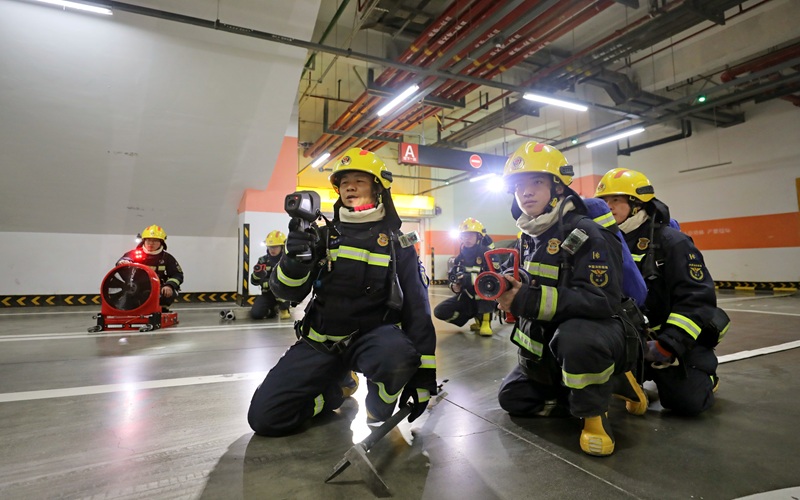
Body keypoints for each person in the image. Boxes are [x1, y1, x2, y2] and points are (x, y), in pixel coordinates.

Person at [247, 147, 437, 436]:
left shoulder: (400, 244)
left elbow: (418, 309)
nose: (349, 186)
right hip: (320, 341)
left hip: (374, 342)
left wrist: (424, 377)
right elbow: (286, 291)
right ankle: (336, 391)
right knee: (265, 418)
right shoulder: (321, 236)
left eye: (359, 180)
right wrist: (294, 260)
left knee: (397, 356)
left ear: (378, 188)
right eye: (344, 181)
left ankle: (379, 406)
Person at [495, 141, 642, 457]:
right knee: (513, 400)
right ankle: (592, 389)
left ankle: (594, 416)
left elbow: (600, 300)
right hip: (546, 350)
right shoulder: (529, 235)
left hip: (588, 334)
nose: (526, 192)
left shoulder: (584, 232)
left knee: (577, 339)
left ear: (558, 188)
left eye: (536, 182)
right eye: (519, 185)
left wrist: (525, 300)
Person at [595, 168, 729, 415]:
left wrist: (669, 344)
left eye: (616, 199)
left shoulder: (673, 242)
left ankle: (706, 379)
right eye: (603, 201)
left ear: (637, 203)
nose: (608, 206)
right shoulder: (604, 242)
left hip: (669, 341)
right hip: (631, 339)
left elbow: (697, 299)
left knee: (687, 403)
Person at [433, 218, 497, 336]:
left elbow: (493, 278)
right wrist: (454, 286)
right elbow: (452, 276)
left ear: (479, 237)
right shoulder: (460, 256)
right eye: (464, 236)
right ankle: (472, 317)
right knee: (439, 311)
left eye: (470, 236)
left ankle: (485, 322)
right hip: (467, 295)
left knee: (483, 295)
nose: (467, 239)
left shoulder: (487, 254)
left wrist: (467, 279)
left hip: (484, 295)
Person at [117, 224, 183, 312]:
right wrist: (123, 263)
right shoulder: (134, 254)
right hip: (135, 288)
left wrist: (169, 285)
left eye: (155, 241)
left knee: (167, 293)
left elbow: (177, 274)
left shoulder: (167, 258)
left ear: (161, 242)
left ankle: (161, 308)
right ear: (143, 241)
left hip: (157, 288)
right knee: (127, 302)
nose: (151, 243)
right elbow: (123, 260)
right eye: (148, 240)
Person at [250, 230, 291, 320]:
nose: (272, 250)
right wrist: (257, 275)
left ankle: (284, 308)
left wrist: (268, 283)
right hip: (267, 294)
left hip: (283, 294)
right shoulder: (262, 260)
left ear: (282, 247)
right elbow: (253, 282)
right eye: (270, 247)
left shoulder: (287, 261)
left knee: (284, 311)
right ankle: (273, 310)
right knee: (256, 314)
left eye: (275, 247)